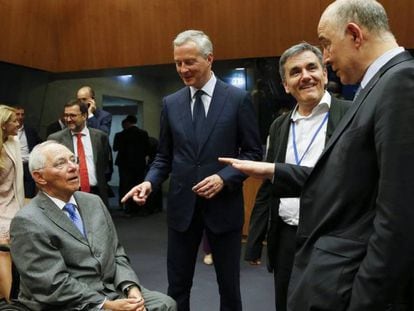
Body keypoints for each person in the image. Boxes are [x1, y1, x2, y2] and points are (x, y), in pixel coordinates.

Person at [220, 0, 414, 310]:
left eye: (325, 45)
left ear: (354, 34)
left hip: (358, 281)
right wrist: (270, 172)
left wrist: (365, 298)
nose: (326, 56)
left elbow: (399, 215)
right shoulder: (378, 86)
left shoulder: (400, 82)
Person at [122, 30, 262, 310]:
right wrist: (149, 182)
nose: (182, 69)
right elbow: (164, 156)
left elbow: (252, 153)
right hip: (181, 209)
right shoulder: (170, 103)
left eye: (189, 62)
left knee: (229, 288)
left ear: (209, 59)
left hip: (224, 207)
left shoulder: (237, 99)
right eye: (177, 63)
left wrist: (224, 179)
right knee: (177, 287)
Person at [244, 43, 350, 311]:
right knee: (287, 303)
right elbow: (269, 185)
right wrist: (255, 241)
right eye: (295, 72)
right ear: (286, 85)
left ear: (325, 74)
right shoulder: (279, 126)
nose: (305, 76)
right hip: (287, 238)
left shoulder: (351, 115)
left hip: (333, 238)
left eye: (311, 67)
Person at [9, 141, 176, 311]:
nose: (73, 167)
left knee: (165, 304)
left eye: (73, 160)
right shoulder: (28, 221)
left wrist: (131, 288)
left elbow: (116, 253)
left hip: (110, 289)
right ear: (39, 177)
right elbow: (51, 284)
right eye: (61, 163)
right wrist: (106, 305)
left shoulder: (93, 202)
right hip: (64, 302)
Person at [48, 99, 111, 207]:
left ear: (84, 115)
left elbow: (105, 164)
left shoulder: (100, 137)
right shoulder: (56, 139)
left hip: (96, 193)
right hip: (69, 193)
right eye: (66, 115)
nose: (68, 119)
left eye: (72, 115)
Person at [0, 105, 24, 303]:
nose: (18, 123)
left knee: (17, 256)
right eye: (14, 121)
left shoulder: (14, 141)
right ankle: (10, 304)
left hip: (16, 206)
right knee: (4, 255)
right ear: (3, 124)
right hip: (1, 210)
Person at [113, 115, 150, 214]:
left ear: (126, 123)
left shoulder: (119, 135)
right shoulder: (143, 133)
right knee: (138, 184)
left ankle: (125, 206)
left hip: (124, 164)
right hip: (139, 163)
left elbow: (115, 148)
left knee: (125, 185)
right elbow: (148, 149)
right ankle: (139, 207)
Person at [14, 106, 42, 198]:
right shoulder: (7, 130)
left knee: (28, 193)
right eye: (17, 114)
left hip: (27, 165)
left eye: (22, 114)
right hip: (13, 165)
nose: (20, 117)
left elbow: (40, 144)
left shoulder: (30, 130)